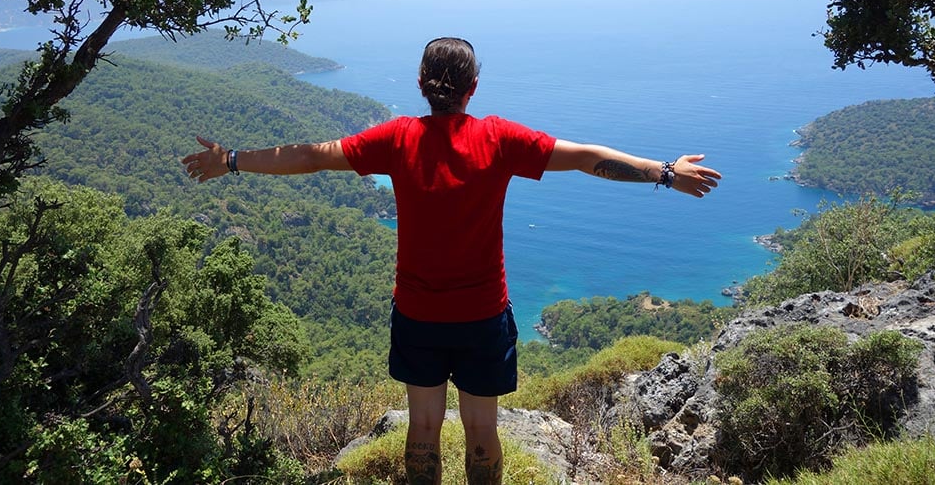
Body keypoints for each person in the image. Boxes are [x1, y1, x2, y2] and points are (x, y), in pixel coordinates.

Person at [181, 37, 721, 485]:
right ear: (472, 89)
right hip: (484, 317)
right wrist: (664, 173)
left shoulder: (397, 138)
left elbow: (309, 156)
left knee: (423, 429)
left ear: (421, 85)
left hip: (418, 315)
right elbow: (587, 157)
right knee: (482, 432)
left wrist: (231, 160)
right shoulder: (498, 138)